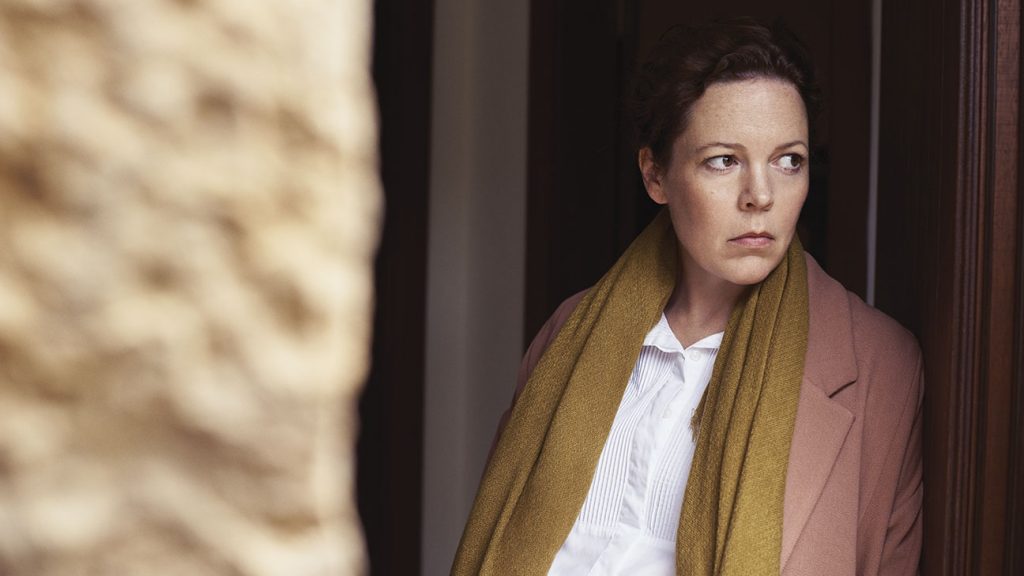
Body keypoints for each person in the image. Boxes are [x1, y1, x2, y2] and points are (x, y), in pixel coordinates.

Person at [452, 18, 923, 576]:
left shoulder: (877, 367)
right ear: (655, 175)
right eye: (724, 160)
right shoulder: (568, 331)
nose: (761, 195)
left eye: (788, 160)